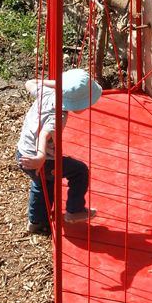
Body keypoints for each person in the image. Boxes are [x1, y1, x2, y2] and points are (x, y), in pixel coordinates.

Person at [16, 69, 102, 234]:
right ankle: (74, 211)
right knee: (79, 171)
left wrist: (60, 86)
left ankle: (36, 222)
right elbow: (44, 134)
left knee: (43, 183)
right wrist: (41, 156)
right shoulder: (59, 116)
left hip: (22, 152)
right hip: (40, 159)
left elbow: (30, 83)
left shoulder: (46, 92)